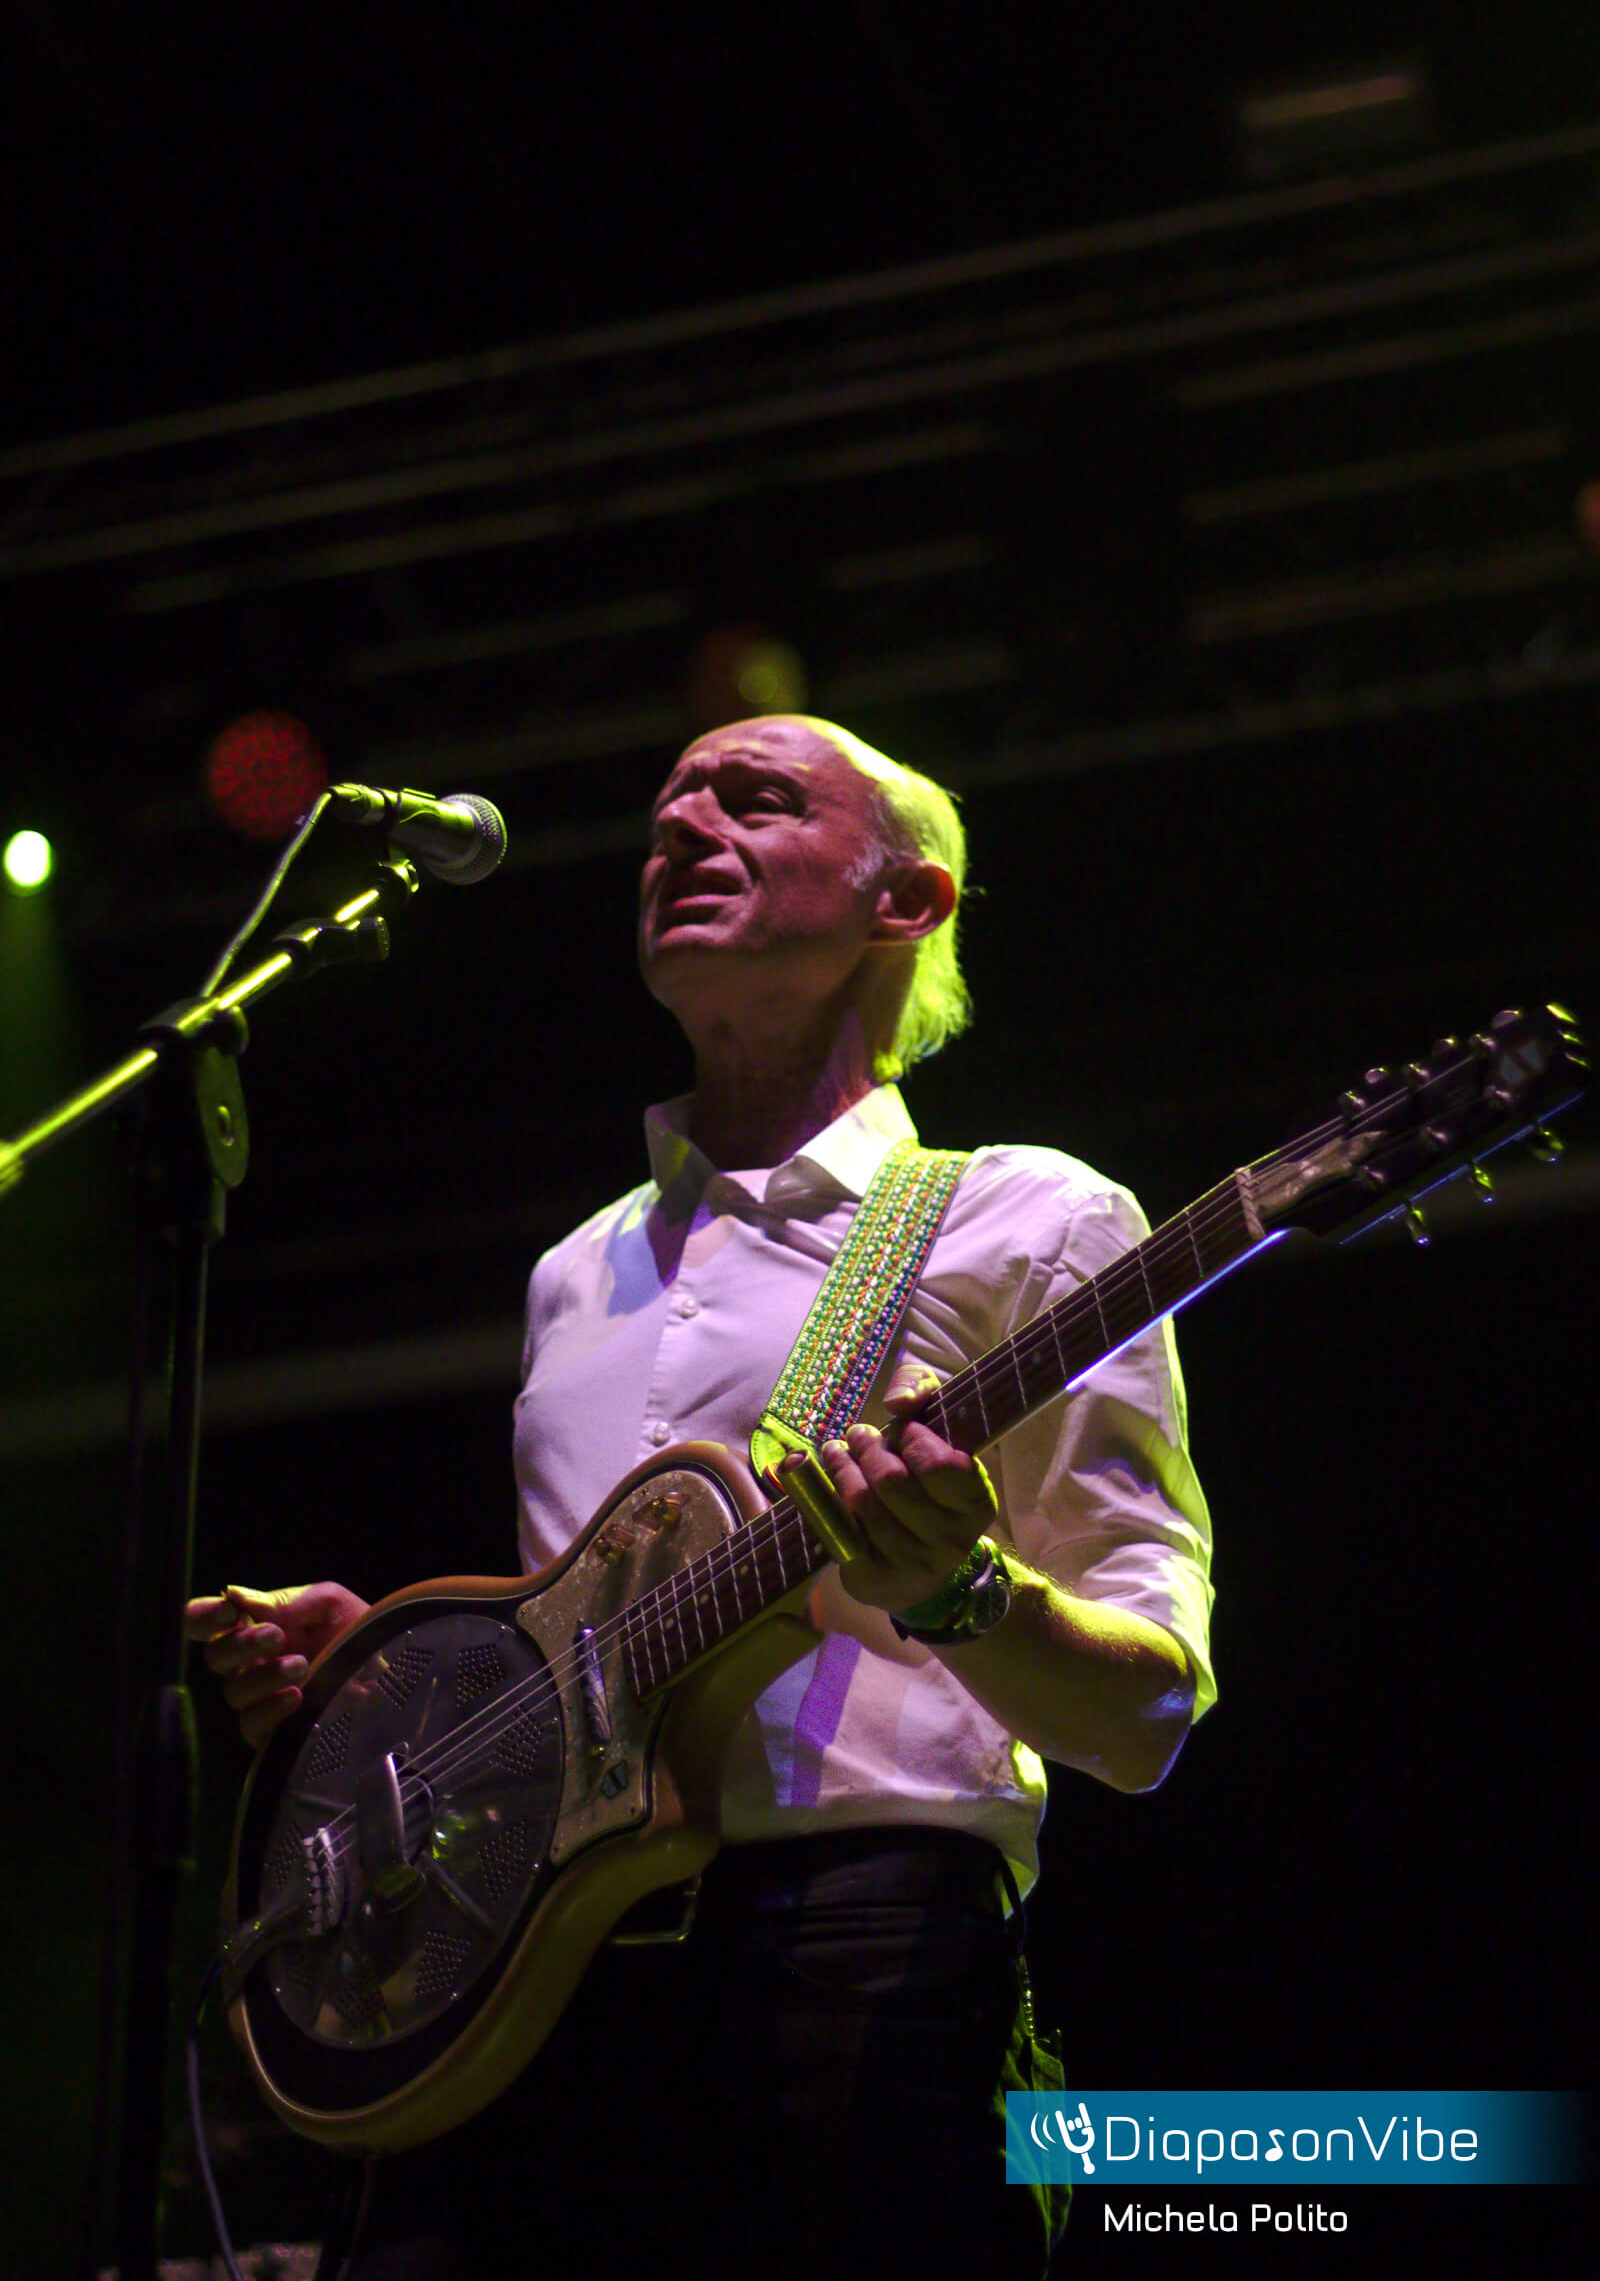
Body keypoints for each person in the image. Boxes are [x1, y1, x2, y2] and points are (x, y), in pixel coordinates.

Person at [187, 714, 1213, 2277]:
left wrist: (963, 1593)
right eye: (669, 807)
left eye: (755, 800)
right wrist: (396, 1683)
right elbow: (581, 1661)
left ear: (906, 901)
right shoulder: (575, 1270)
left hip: (858, 1946)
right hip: (536, 1969)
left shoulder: (1031, 1219)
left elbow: (1145, 1719)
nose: (682, 829)